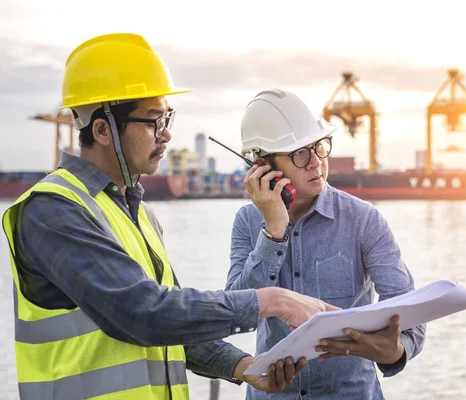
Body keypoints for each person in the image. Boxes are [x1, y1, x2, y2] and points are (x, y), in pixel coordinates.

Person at [2, 34, 339, 400]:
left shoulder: (138, 213)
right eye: (152, 121)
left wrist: (245, 367)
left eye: (167, 117)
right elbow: (144, 313)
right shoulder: (53, 211)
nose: (166, 134)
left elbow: (174, 324)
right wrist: (274, 300)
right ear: (102, 130)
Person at [225, 89, 427, 399]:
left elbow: (409, 313)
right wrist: (273, 231)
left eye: (320, 147)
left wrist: (395, 352)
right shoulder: (248, 222)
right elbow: (235, 311)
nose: (316, 162)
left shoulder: (364, 220)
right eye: (300, 153)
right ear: (263, 164)